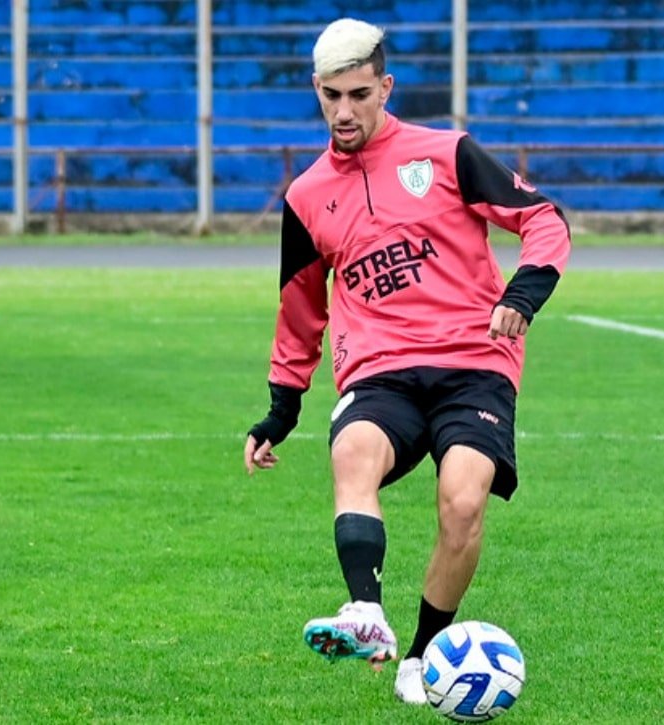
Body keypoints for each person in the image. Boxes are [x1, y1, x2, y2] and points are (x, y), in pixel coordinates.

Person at [243, 17, 571, 705]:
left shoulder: (447, 153)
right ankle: (364, 611)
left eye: (358, 94)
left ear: (385, 86)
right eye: (330, 96)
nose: (343, 111)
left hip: (474, 362)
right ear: (316, 91)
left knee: (462, 502)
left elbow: (543, 217)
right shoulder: (306, 198)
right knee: (353, 451)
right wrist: (282, 405)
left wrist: (526, 291)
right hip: (380, 369)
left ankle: (423, 655)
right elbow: (300, 308)